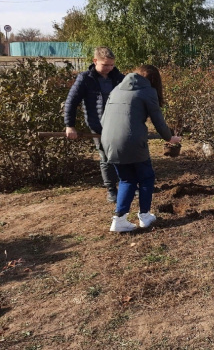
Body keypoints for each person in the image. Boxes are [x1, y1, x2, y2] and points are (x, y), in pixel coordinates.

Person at [100, 64, 181, 232]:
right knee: (146, 177)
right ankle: (144, 216)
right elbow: (158, 120)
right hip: (131, 140)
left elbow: (104, 118)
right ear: (153, 79)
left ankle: (119, 219)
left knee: (127, 179)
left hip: (108, 140)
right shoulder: (148, 91)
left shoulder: (116, 90)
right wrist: (170, 137)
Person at [65, 47, 124, 203]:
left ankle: (128, 185)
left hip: (118, 124)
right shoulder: (85, 78)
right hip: (98, 126)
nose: (109, 68)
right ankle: (111, 189)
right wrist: (69, 125)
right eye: (105, 65)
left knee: (123, 154)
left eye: (111, 65)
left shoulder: (118, 78)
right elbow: (71, 102)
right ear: (95, 61)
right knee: (105, 157)